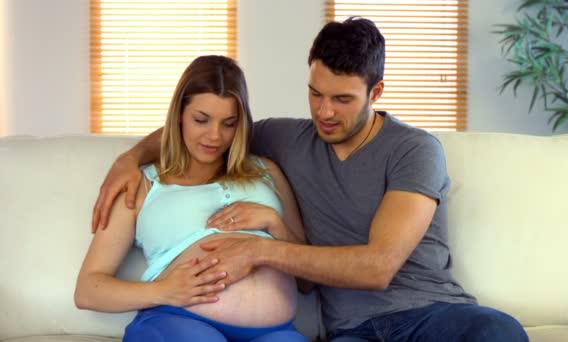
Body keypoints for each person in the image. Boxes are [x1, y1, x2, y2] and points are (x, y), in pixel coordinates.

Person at [92, 18, 529, 342]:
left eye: (342, 99)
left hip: (431, 315)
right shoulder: (286, 139)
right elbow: (211, 128)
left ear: (375, 94)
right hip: (353, 330)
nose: (324, 112)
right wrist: (130, 158)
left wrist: (263, 247)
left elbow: (377, 267)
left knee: (500, 333)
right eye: (315, 94)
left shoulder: (414, 149)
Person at [75, 55, 308, 342]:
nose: (215, 136)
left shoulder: (266, 171)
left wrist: (275, 223)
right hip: (179, 320)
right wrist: (163, 291)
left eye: (229, 123)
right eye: (201, 120)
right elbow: (87, 289)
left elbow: (309, 281)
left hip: (274, 331)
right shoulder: (143, 183)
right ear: (180, 115)